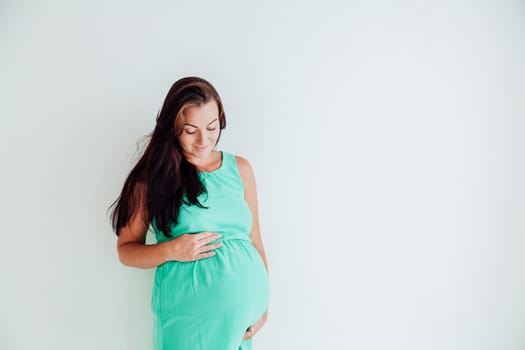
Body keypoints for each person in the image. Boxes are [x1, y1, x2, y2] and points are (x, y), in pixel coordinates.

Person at [109, 76, 270, 350]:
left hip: (239, 323)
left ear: (221, 119)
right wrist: (172, 250)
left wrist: (262, 306)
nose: (203, 140)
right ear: (173, 128)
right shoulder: (152, 180)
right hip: (186, 319)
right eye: (190, 130)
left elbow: (254, 240)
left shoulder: (241, 169)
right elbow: (126, 250)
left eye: (212, 127)